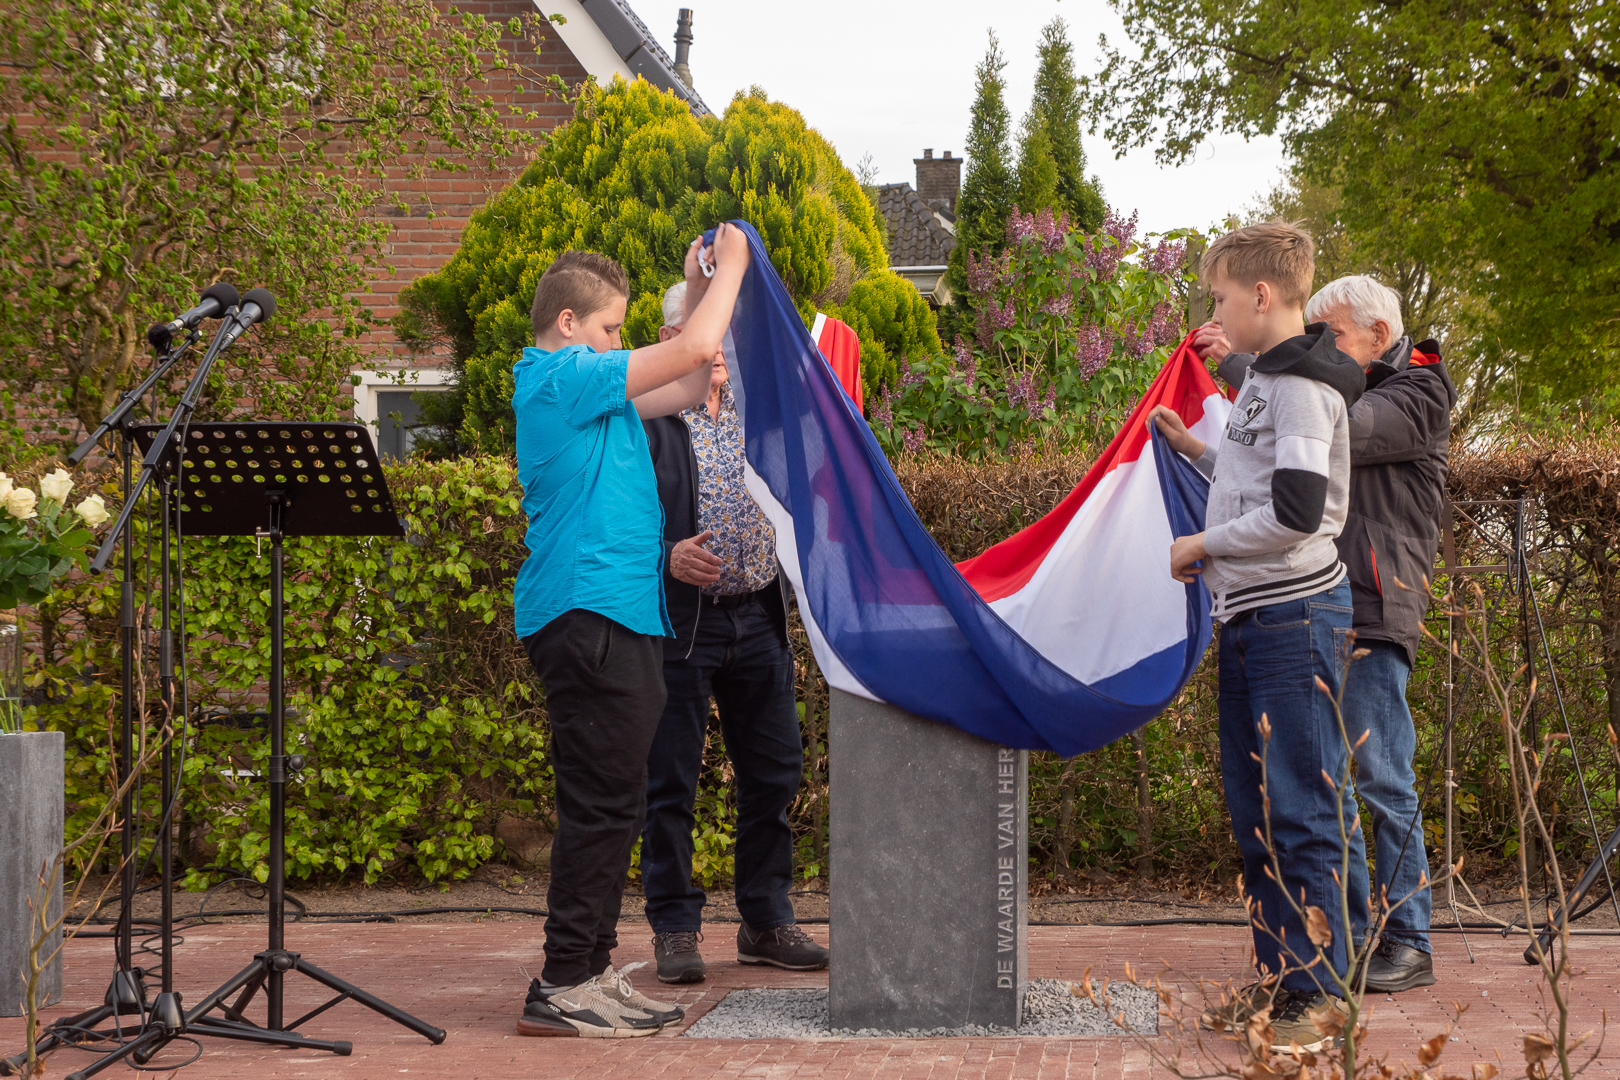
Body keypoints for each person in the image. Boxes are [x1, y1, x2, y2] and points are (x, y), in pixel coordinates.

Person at [510, 228, 750, 1038]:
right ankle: (563, 981)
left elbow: (682, 386)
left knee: (615, 807)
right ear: (571, 323)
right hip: (588, 618)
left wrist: (694, 280)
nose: (621, 342)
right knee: (599, 806)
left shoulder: (592, 394)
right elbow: (697, 346)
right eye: (612, 328)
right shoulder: (557, 378)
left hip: (621, 619)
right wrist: (734, 273)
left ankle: (589, 972)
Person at [1191, 274, 1455, 993]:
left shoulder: (1420, 393)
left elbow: (1337, 428)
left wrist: (1252, 362)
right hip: (1334, 601)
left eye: (1332, 334)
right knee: (1329, 784)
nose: (1321, 348)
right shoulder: (1355, 381)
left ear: (1378, 333)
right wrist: (1199, 447)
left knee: (1381, 776)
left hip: (1374, 605)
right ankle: (1349, 938)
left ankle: (1411, 937)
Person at [1148, 222, 1367, 1053]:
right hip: (1254, 620)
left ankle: (1322, 996)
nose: (1217, 313)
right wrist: (1196, 450)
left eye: (1222, 298)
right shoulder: (1268, 384)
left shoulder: (1304, 387)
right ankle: (1282, 981)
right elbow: (1258, 488)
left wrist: (1201, 547)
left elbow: (1300, 514)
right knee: (1258, 813)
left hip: (1292, 619)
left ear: (1262, 296)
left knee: (1301, 808)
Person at [638, 282, 829, 984]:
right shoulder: (643, 420)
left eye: (721, 333)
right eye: (698, 331)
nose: (715, 347)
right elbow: (608, 518)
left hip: (757, 615)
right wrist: (665, 555)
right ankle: (676, 928)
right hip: (679, 623)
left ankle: (765, 919)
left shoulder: (759, 415)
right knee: (671, 783)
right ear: (668, 340)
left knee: (775, 773)